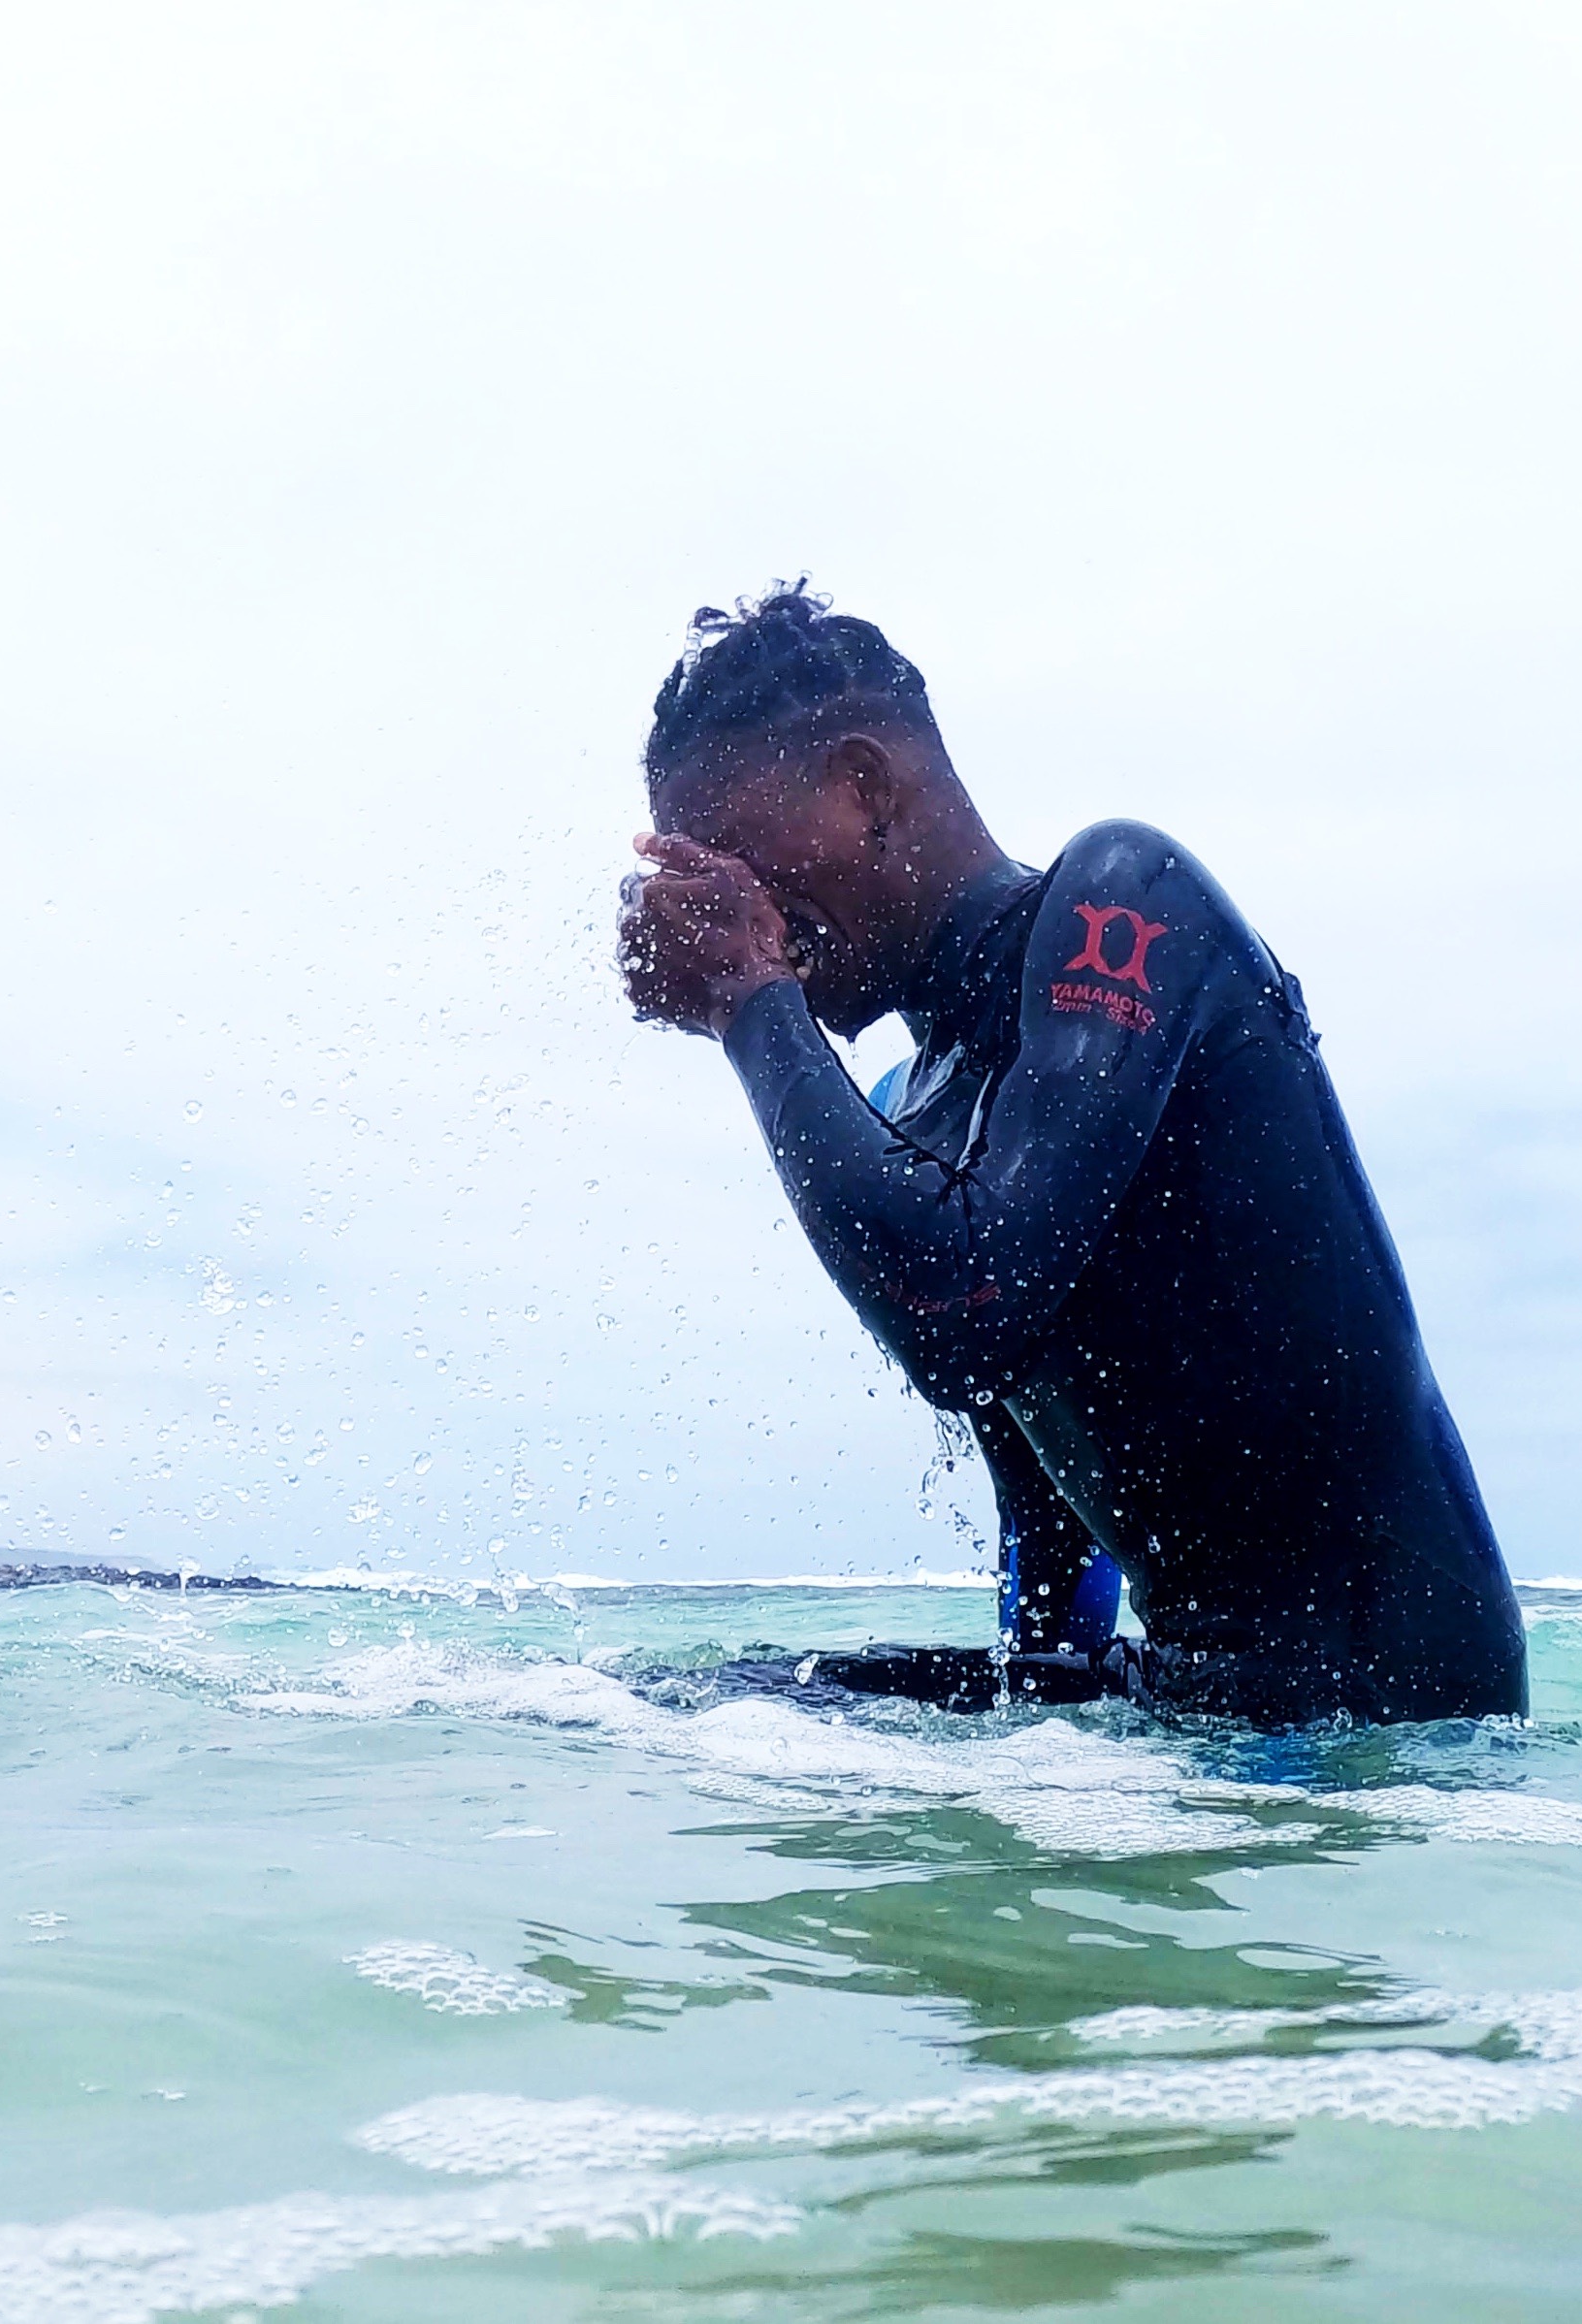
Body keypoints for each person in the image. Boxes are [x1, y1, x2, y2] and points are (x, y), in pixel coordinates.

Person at [615, 586, 1524, 1726]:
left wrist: (750, 999)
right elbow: (1047, 1528)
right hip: (1201, 1702)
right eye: (701, 884)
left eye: (738, 861)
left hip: (1396, 1725)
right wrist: (1033, 1759)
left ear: (863, 787)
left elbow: (966, 1302)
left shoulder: (1126, 898)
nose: (733, 906)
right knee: (671, 1705)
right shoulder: (926, 1106)